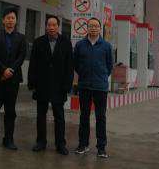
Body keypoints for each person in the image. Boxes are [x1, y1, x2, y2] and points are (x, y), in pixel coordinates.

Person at [27, 15, 74, 155]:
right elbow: (33, 64)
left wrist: (67, 85)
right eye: (49, 25)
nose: (51, 27)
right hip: (42, 84)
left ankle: (60, 144)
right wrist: (32, 83)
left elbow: (69, 66)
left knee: (59, 116)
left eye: (54, 25)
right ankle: (41, 142)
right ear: (46, 26)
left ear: (58, 26)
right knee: (40, 115)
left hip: (59, 86)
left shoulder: (66, 43)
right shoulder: (39, 42)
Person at [0, 7, 27, 150]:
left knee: (10, 111)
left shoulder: (21, 38)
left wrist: (10, 71)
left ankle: (8, 139)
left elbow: (21, 56)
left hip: (12, 80)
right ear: (3, 20)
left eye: (13, 18)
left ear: (16, 20)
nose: (10, 20)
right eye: (8, 18)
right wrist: (3, 70)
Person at [73, 17, 113, 159]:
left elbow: (109, 66)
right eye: (91, 26)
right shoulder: (80, 45)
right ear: (87, 28)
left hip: (100, 87)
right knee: (84, 116)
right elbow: (76, 64)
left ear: (100, 28)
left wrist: (101, 77)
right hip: (84, 86)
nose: (93, 28)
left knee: (100, 117)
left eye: (96, 26)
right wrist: (84, 74)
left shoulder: (106, 46)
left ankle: (101, 148)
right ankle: (83, 144)